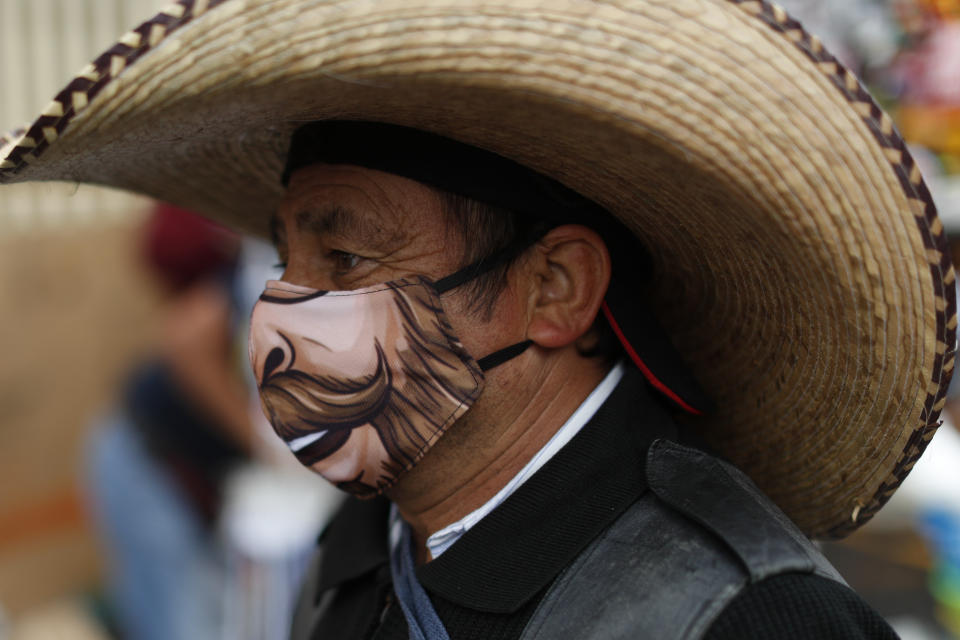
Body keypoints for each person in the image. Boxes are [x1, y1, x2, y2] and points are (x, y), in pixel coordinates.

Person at [2, 1, 956, 637]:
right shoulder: (366, 536)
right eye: (287, 256)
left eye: (347, 259)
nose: (284, 314)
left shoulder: (742, 617)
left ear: (554, 290)